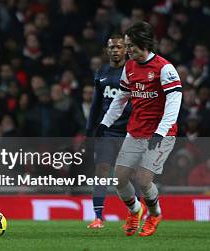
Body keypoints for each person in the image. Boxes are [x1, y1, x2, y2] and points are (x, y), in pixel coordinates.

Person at [96, 21, 182, 237]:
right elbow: (121, 99)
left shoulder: (165, 68)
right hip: (135, 132)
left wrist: (160, 132)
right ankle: (135, 211)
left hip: (161, 134)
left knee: (144, 180)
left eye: (130, 45)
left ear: (143, 44)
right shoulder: (129, 67)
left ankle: (154, 215)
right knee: (120, 179)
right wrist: (105, 122)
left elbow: (174, 102)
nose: (127, 50)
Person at [85, 33, 131, 229]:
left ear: (126, 49)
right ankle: (98, 217)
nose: (115, 50)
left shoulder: (132, 71)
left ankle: (133, 214)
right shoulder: (102, 71)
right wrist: (90, 129)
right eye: (112, 47)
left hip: (129, 131)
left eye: (119, 47)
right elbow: (96, 104)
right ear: (107, 50)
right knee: (101, 170)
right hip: (107, 131)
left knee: (128, 175)